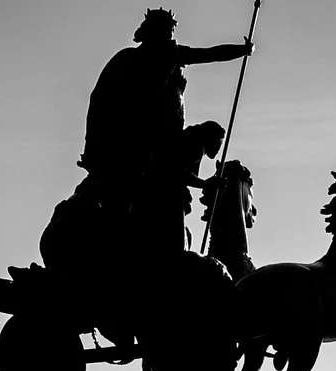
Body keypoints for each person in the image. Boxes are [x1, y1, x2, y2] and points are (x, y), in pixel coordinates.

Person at [79, 9, 252, 262]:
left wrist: (241, 50)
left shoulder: (165, 57)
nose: (172, 38)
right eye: (167, 32)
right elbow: (102, 102)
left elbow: (209, 55)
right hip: (136, 147)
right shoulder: (140, 59)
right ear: (152, 33)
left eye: (172, 33)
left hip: (152, 144)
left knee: (179, 159)